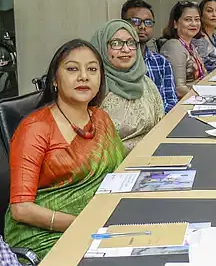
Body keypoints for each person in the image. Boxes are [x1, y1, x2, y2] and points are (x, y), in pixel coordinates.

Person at [4, 40, 125, 259]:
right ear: (54, 80)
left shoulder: (101, 119)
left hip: (100, 222)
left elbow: (119, 174)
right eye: (72, 69)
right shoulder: (35, 129)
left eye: (92, 69)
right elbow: (21, 209)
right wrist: (84, 225)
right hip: (43, 234)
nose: (83, 77)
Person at [91, 20, 165, 154]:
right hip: (114, 166)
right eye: (116, 43)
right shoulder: (94, 87)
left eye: (131, 43)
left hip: (153, 159)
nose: (125, 49)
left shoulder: (145, 82)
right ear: (101, 47)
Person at [121, 0, 178, 113]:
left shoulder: (161, 62)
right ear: (123, 24)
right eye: (135, 21)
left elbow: (170, 101)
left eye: (148, 22)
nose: (142, 26)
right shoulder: (117, 62)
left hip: (160, 123)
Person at [160, 1, 206, 98]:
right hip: (184, 104)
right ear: (175, 24)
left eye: (197, 19)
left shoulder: (190, 45)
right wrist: (206, 96)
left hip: (197, 98)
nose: (194, 24)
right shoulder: (173, 46)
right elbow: (179, 90)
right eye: (188, 19)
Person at [192, 0, 216, 72]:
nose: (215, 15)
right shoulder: (198, 39)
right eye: (209, 11)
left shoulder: (215, 36)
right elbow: (203, 68)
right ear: (201, 15)